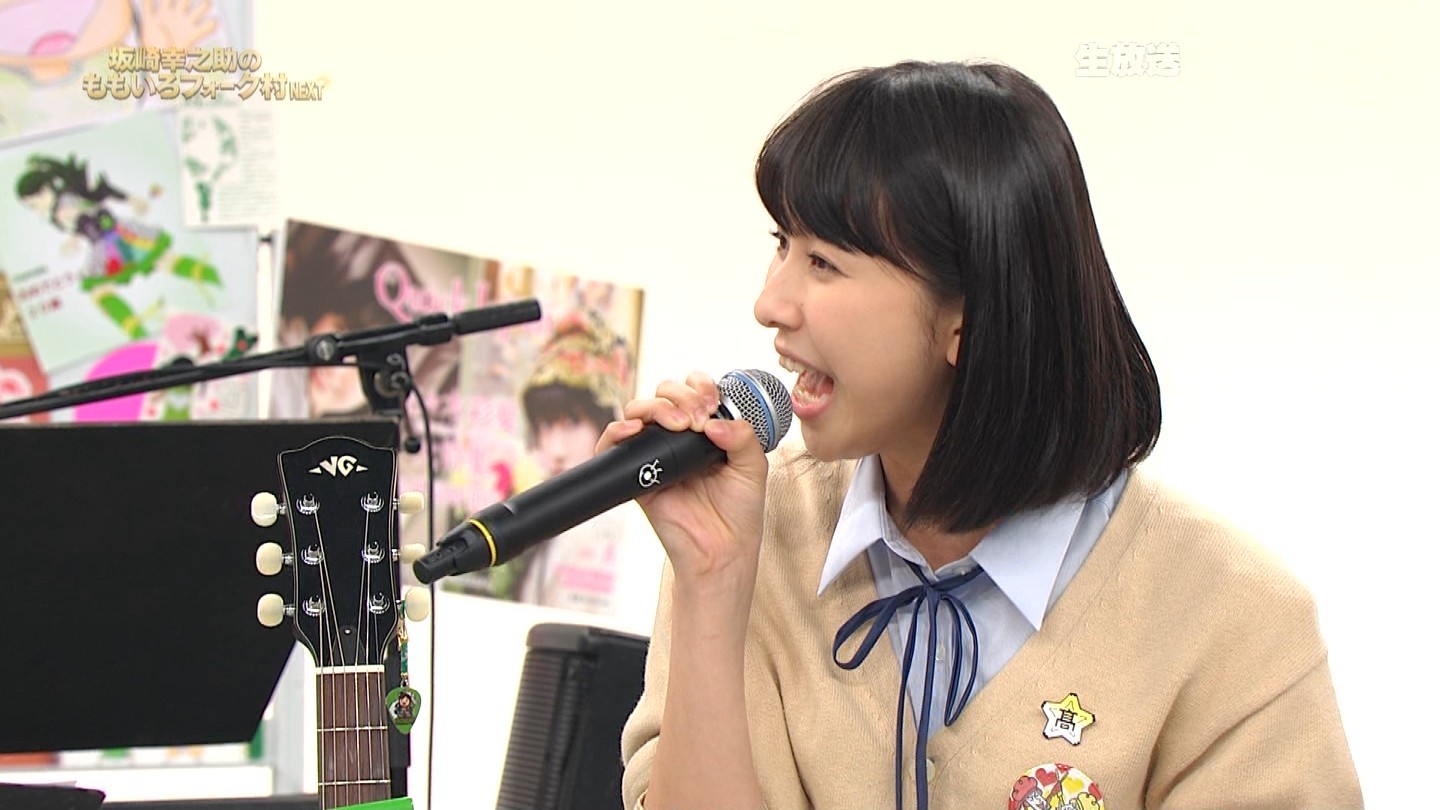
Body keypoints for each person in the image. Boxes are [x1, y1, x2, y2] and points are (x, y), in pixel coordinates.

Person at [607, 60, 1362, 810]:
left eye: (823, 262)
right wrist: (713, 583)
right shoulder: (750, 534)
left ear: (969, 318)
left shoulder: (1236, 617)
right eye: (782, 244)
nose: (770, 303)